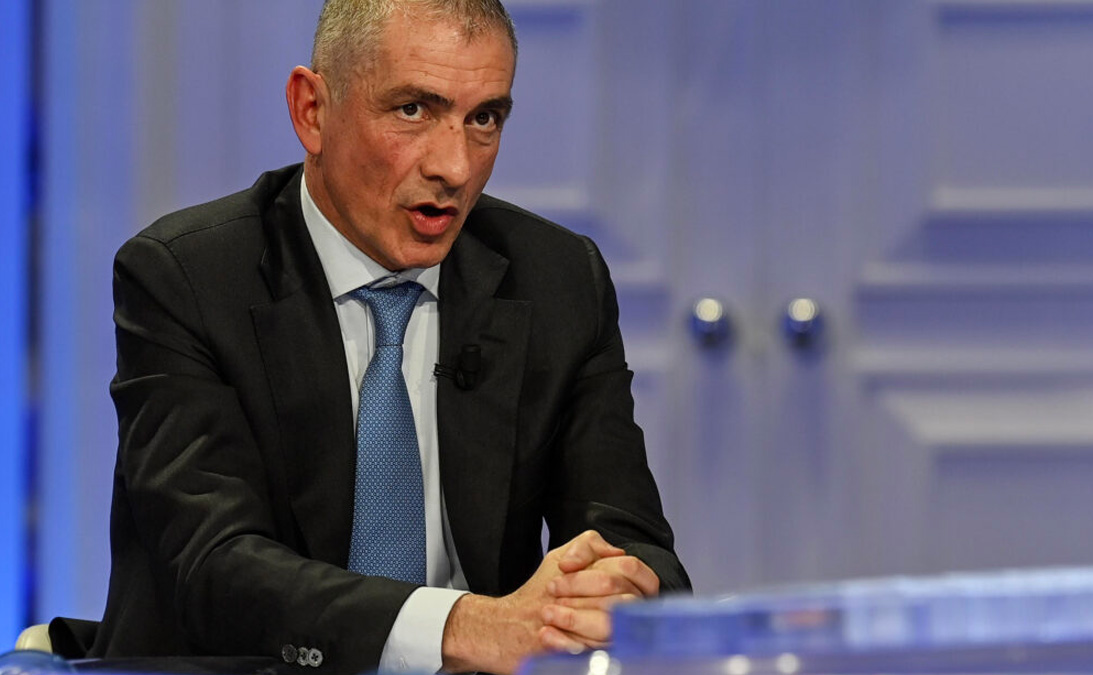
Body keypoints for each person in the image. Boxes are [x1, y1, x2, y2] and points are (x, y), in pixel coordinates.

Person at [88, 1, 689, 674]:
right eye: (413, 110)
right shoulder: (187, 279)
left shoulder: (557, 279)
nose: (455, 167)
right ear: (312, 111)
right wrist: (465, 626)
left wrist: (610, 592)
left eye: (484, 119)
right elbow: (213, 567)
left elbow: (635, 542)